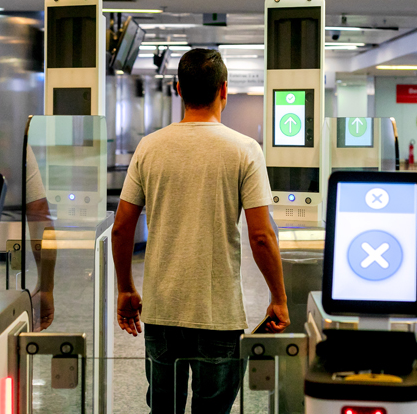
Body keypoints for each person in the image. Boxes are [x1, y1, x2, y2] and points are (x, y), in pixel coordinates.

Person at [112, 48, 290, 414]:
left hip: (162, 311)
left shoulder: (150, 148)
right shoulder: (244, 150)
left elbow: (121, 227)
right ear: (224, 90)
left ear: (178, 89)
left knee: (164, 409)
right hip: (218, 315)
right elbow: (261, 235)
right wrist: (279, 297)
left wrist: (126, 288)